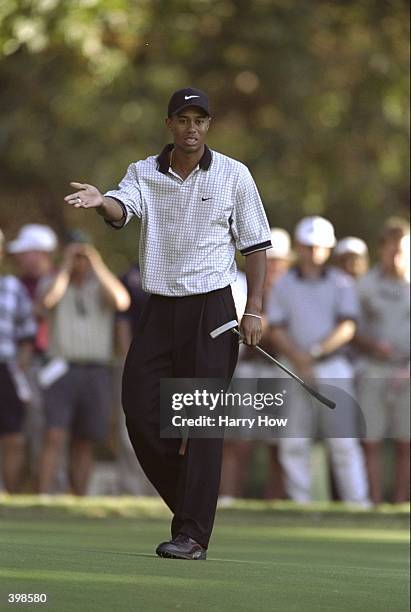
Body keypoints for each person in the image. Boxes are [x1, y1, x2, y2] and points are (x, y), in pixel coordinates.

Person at [64, 87, 271, 559]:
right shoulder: (143, 172)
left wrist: (254, 308)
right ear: (169, 125)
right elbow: (122, 209)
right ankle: (192, 506)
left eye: (199, 120)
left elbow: (256, 247)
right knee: (138, 407)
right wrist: (100, 202)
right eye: (183, 119)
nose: (191, 128)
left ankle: (193, 534)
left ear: (208, 125)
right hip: (159, 308)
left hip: (212, 311)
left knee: (200, 423)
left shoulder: (234, 175)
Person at [267, 216, 369, 505]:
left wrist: (313, 354)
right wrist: (300, 359)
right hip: (292, 367)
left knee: (344, 442)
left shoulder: (341, 282)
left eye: (320, 247)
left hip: (333, 366)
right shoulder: (284, 284)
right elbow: (276, 326)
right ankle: (301, 505)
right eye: (309, 246)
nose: (314, 252)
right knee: (293, 441)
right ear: (300, 246)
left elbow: (347, 326)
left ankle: (358, 505)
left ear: (329, 249)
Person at [37, 230, 130, 495]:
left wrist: (96, 263)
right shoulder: (54, 281)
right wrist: (65, 268)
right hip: (61, 367)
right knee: (54, 434)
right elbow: (46, 302)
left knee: (85, 439)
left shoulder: (100, 284)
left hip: (95, 370)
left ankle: (78, 498)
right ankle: (45, 495)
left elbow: (122, 301)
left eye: (82, 255)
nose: (79, 260)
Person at [219, 228, 292, 504]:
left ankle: (275, 503)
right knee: (239, 442)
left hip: (281, 372)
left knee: (277, 445)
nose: (274, 267)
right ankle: (229, 497)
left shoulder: (291, 288)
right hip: (245, 371)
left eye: (279, 262)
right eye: (269, 261)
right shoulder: (239, 284)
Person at [355, 218, 410, 504]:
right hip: (374, 368)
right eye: (391, 250)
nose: (396, 256)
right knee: (371, 441)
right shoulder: (366, 285)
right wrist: (373, 344)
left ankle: (401, 504)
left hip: (407, 370)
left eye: (402, 250)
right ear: (382, 249)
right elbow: (353, 331)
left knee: (405, 443)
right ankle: (374, 503)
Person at [7, 224, 58, 488]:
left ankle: (45, 485)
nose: (18, 258)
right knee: (19, 429)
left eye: (24, 252)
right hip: (20, 364)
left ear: (40, 253)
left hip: (49, 364)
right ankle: (23, 486)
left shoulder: (58, 280)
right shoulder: (16, 283)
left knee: (47, 429)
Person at [0, 228, 37, 492]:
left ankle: (8, 498)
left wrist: (19, 369)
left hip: (6, 368)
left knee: (13, 435)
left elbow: (27, 334)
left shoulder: (12, 287)